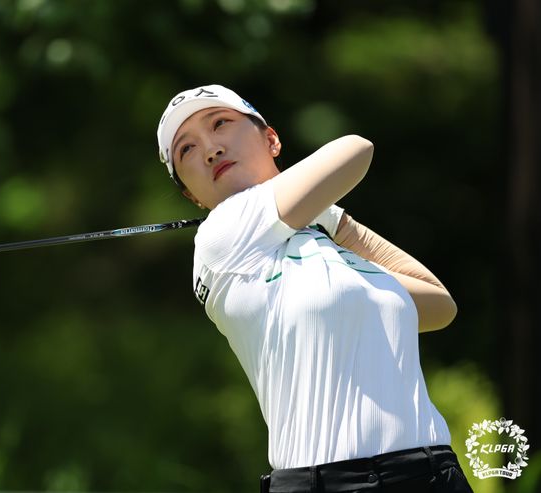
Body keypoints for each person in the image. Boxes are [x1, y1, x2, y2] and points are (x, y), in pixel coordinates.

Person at [156, 84, 474, 493]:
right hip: (329, 483)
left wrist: (328, 218)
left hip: (434, 474)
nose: (210, 149)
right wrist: (320, 207)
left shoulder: (330, 249)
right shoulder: (222, 234)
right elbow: (354, 150)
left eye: (220, 123)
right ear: (191, 196)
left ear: (271, 139)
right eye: (186, 149)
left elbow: (438, 304)